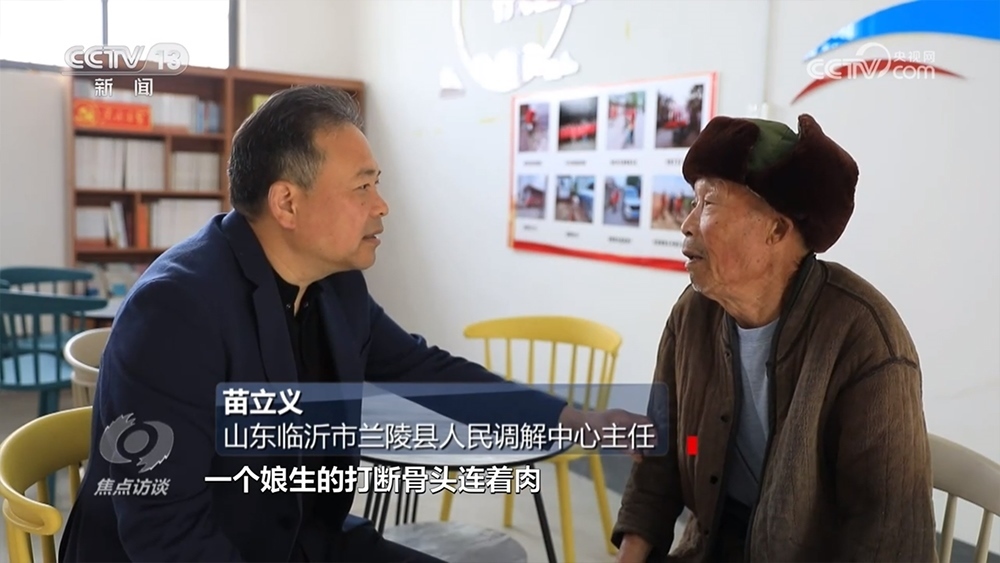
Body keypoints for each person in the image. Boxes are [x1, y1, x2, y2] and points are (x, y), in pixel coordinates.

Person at [59, 85, 649, 563]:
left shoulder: (335, 285)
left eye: (377, 183)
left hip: (303, 541)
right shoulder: (176, 310)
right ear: (287, 203)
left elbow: (426, 371)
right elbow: (164, 532)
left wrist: (576, 419)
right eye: (362, 186)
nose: (381, 204)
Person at [611, 114, 937, 562]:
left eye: (709, 203)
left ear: (777, 229)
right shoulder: (693, 314)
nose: (686, 223)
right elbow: (660, 461)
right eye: (692, 201)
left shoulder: (865, 341)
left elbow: (886, 538)